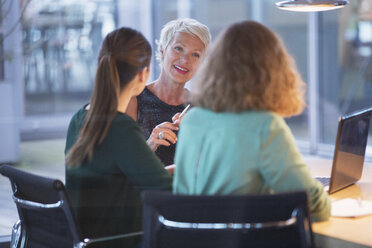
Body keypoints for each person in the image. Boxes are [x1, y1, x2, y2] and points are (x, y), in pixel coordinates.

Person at [173, 21, 331, 221]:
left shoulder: (192, 120)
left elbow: (184, 199)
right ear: (273, 70)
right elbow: (315, 207)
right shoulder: (265, 126)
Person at [64, 27, 172, 248]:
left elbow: (123, 177)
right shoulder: (120, 128)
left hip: (87, 239)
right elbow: (166, 190)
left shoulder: (79, 119)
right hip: (121, 241)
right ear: (143, 74)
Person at [126, 18, 211, 166]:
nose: (185, 60)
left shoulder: (201, 107)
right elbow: (123, 166)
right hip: (147, 189)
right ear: (162, 50)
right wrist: (151, 143)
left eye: (195, 54)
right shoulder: (134, 99)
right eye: (178, 48)